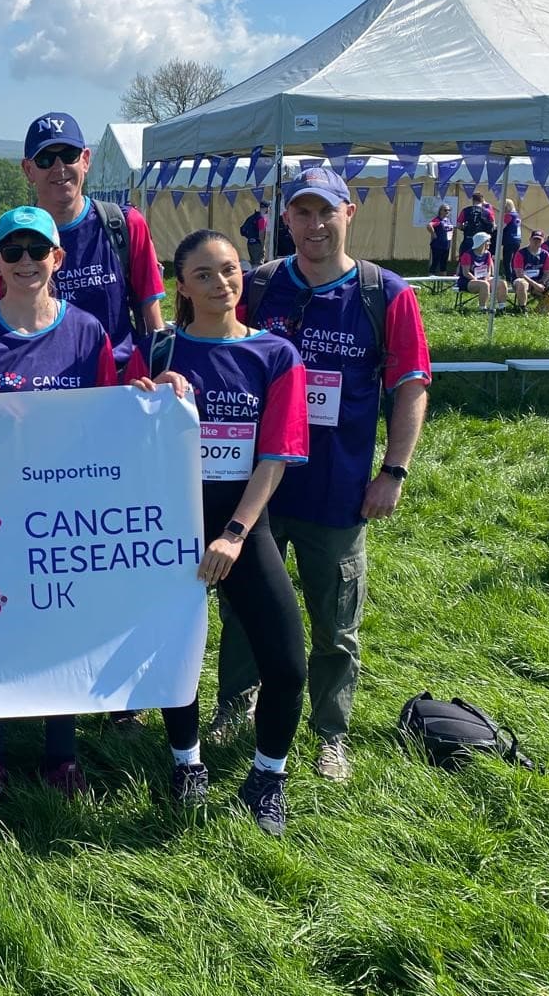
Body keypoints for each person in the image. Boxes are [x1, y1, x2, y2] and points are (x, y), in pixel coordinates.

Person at [212, 167, 431, 780]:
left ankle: (331, 732)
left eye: (325, 211)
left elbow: (411, 386)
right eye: (302, 213)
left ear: (348, 212)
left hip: (339, 491)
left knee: (335, 622)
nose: (314, 224)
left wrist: (394, 471)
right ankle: (236, 704)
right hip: (257, 488)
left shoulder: (384, 293)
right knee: (244, 609)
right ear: (286, 219)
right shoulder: (256, 285)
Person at [0, 206, 121, 811]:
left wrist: (154, 393)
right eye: (13, 253)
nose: (27, 263)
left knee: (61, 628)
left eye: (39, 252)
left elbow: (110, 419)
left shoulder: (88, 333)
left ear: (57, 260)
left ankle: (61, 753)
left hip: (61, 513)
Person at [123, 229, 309, 834]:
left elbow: (276, 457)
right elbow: (115, 438)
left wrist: (234, 533)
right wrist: (145, 396)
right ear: (182, 286)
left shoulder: (275, 354)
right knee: (176, 657)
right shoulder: (156, 351)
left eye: (229, 270)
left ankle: (267, 776)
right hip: (166, 527)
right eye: (203, 274)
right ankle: (186, 764)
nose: (220, 284)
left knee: (286, 663)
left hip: (239, 527)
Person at [0, 112, 164, 362]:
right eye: (45, 159)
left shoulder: (124, 224)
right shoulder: (1, 240)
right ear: (28, 170)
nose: (59, 167)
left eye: (69, 155)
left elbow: (152, 315)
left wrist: (160, 365)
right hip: (42, 383)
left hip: (119, 380)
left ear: (85, 160)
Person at [511, 230, 549, 314]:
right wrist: (535, 285)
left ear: (542, 241)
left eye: (539, 240)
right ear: (530, 239)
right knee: (522, 283)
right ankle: (522, 310)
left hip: (539, 281)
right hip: (522, 280)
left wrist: (542, 282)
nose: (536, 242)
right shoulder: (521, 253)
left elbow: (546, 272)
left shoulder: (545, 254)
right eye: (534, 239)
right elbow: (519, 273)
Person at [457, 231, 507, 312]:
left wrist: (486, 278)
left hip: (483, 279)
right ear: (482, 242)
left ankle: (502, 308)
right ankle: (482, 309)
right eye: (487, 241)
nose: (489, 243)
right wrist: (478, 280)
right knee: (484, 284)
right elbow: (466, 273)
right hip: (468, 281)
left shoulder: (488, 254)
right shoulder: (467, 255)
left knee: (502, 283)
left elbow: (488, 271)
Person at [457, 190, 495, 256]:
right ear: (482, 200)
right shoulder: (488, 212)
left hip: (468, 238)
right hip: (482, 241)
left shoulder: (465, 210)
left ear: (473, 200)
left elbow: (458, 225)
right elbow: (493, 226)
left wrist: (464, 227)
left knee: (465, 259)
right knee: (481, 261)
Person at [241, 197, 270, 267]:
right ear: (266, 208)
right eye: (268, 207)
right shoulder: (262, 219)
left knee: (253, 263)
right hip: (257, 244)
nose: (269, 209)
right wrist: (262, 246)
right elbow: (261, 233)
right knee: (258, 264)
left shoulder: (253, 217)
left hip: (250, 243)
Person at [427, 204, 454, 276]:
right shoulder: (438, 220)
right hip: (437, 245)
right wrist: (433, 233)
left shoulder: (448, 220)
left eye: (449, 210)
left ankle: (443, 279)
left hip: (446, 245)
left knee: (444, 263)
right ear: (441, 211)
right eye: (445, 210)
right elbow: (429, 225)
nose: (447, 212)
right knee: (435, 262)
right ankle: (431, 277)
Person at [499, 197, 522, 278]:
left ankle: (509, 277)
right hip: (517, 240)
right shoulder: (517, 215)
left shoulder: (508, 215)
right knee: (514, 260)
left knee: (507, 260)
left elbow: (501, 227)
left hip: (509, 240)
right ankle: (515, 276)